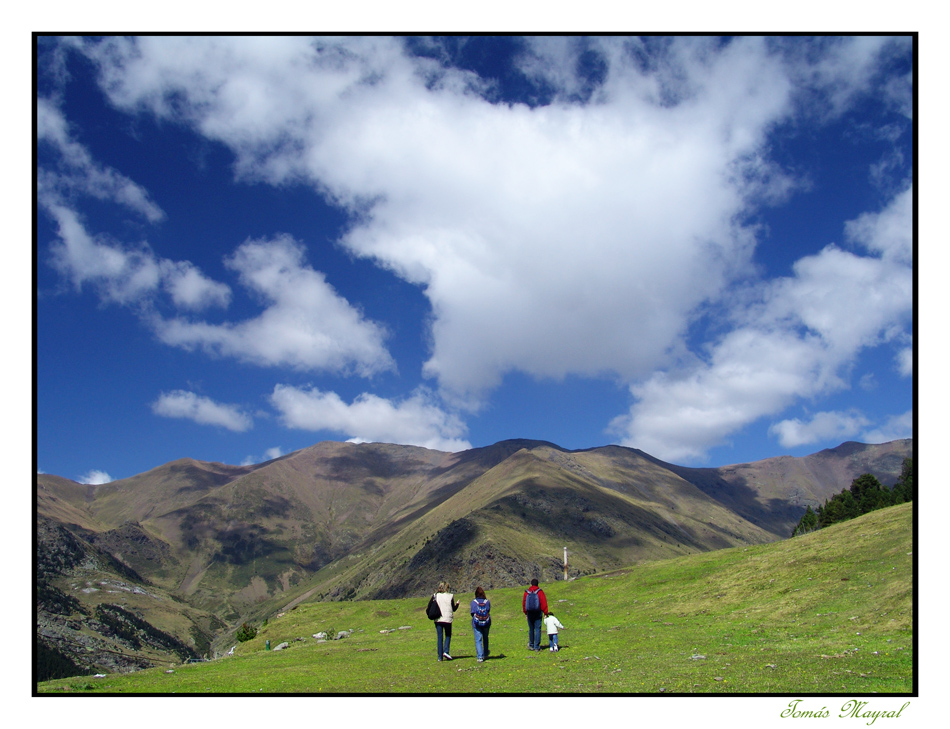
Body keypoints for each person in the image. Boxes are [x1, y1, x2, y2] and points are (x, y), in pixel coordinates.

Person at [433, 581, 460, 661]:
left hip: (438, 618)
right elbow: (453, 609)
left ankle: (439, 657)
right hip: (447, 619)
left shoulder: (435, 596)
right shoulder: (450, 596)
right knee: (448, 635)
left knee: (439, 637)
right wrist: (457, 604)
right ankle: (446, 651)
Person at [522, 578, 548, 651]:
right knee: (537, 629)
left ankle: (531, 644)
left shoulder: (527, 592)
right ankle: (537, 646)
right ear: (537, 584)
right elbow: (543, 602)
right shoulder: (540, 592)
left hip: (529, 612)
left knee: (531, 629)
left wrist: (525, 613)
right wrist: (545, 612)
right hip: (538, 612)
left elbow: (524, 603)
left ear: (531, 584)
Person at [470, 586, 491, 662]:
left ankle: (480, 657)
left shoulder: (474, 602)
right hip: (486, 623)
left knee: (478, 639)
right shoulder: (487, 602)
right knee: (485, 638)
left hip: (477, 623)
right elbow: (488, 610)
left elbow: (472, 612)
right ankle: (485, 653)